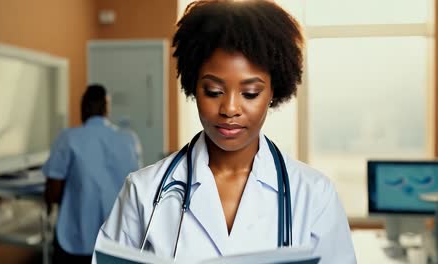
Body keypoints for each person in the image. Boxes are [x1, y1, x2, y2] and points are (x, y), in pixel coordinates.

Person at [95, 1, 356, 263]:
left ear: (273, 91)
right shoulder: (143, 192)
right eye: (214, 91)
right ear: (193, 86)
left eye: (250, 93)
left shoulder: (315, 196)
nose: (230, 109)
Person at [43, 84, 142, 263]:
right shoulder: (129, 139)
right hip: (120, 240)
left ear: (83, 108)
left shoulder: (68, 138)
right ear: (107, 109)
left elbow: (54, 192)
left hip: (77, 239)